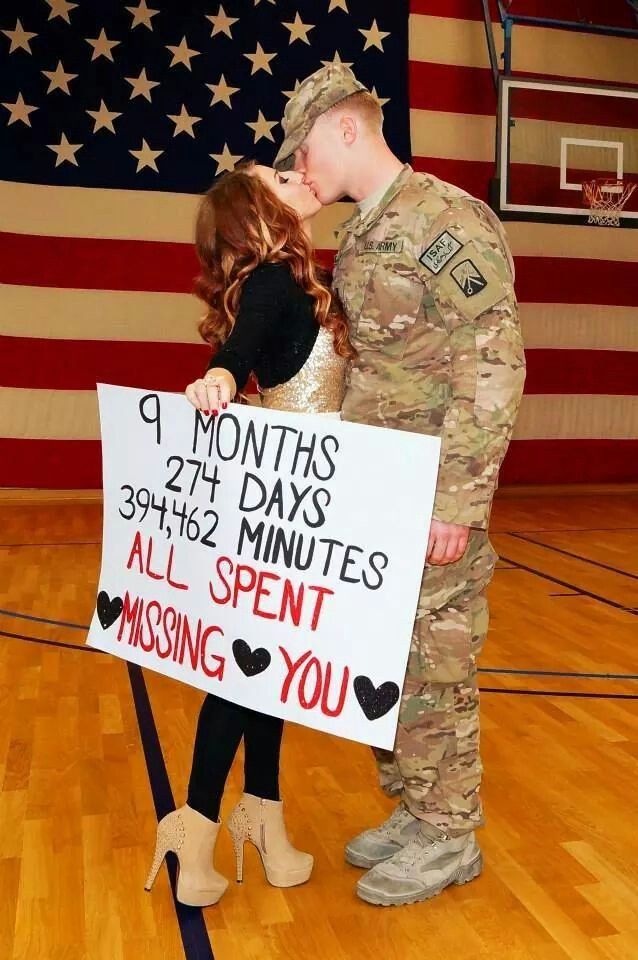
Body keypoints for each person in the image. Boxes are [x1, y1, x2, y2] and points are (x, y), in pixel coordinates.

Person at [274, 63, 526, 907]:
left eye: (303, 148)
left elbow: (492, 361)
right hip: (376, 486)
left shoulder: (443, 220)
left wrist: (457, 503)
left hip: (430, 493)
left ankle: (452, 833)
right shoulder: (361, 233)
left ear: (346, 128)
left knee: (436, 659)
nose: (300, 166)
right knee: (386, 657)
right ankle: (418, 808)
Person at [144, 161, 354, 907]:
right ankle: (193, 827)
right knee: (244, 673)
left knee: (272, 673)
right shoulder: (269, 283)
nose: (294, 171)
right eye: (277, 174)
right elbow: (237, 354)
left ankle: (261, 815)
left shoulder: (304, 279)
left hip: (310, 504)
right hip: (284, 509)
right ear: (259, 213)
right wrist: (220, 379)